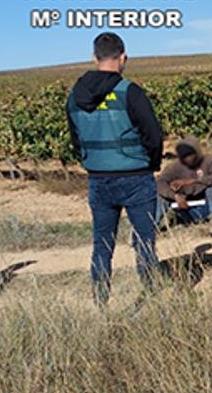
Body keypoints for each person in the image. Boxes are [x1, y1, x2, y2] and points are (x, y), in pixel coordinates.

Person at [66, 31, 163, 307]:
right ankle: (152, 299)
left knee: (102, 245)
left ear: (94, 57)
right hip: (135, 178)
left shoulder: (74, 97)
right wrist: (151, 165)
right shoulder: (129, 91)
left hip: (98, 180)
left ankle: (101, 303)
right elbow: (153, 135)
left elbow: (75, 139)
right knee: (145, 242)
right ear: (123, 58)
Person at [155, 136, 212, 236]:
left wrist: (194, 181)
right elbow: (160, 183)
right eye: (184, 155)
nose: (188, 158)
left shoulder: (210, 161)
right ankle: (153, 226)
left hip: (206, 206)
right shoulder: (174, 166)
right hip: (184, 208)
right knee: (161, 196)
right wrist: (175, 196)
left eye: (191, 154)